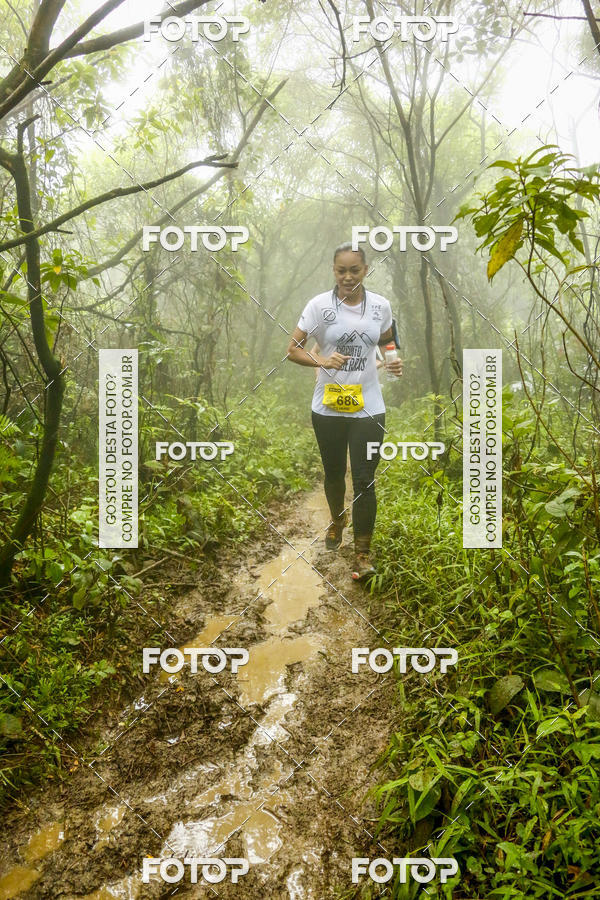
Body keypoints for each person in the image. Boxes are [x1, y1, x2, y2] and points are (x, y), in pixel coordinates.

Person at [287, 242, 403, 581]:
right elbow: (292, 349)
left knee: (365, 480)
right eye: (342, 270)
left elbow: (388, 339)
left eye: (355, 270)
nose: (348, 277)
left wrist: (393, 363)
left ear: (365, 270)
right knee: (335, 474)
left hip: (368, 406)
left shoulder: (380, 305)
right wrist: (321, 359)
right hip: (328, 406)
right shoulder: (318, 306)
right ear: (334, 271)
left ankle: (363, 556)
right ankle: (338, 519)